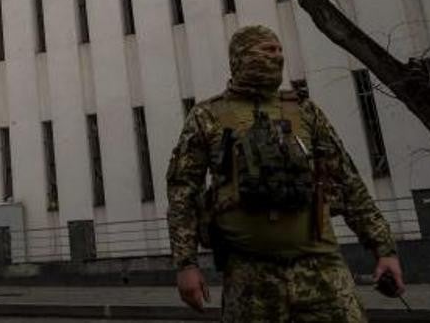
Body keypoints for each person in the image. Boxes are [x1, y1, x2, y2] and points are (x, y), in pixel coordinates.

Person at [166, 25, 405, 322]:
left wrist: (384, 249)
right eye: (266, 50)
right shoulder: (206, 117)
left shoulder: (305, 111)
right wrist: (186, 264)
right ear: (240, 58)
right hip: (249, 277)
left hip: (321, 269)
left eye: (279, 50)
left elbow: (348, 181)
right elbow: (182, 194)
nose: (276, 56)